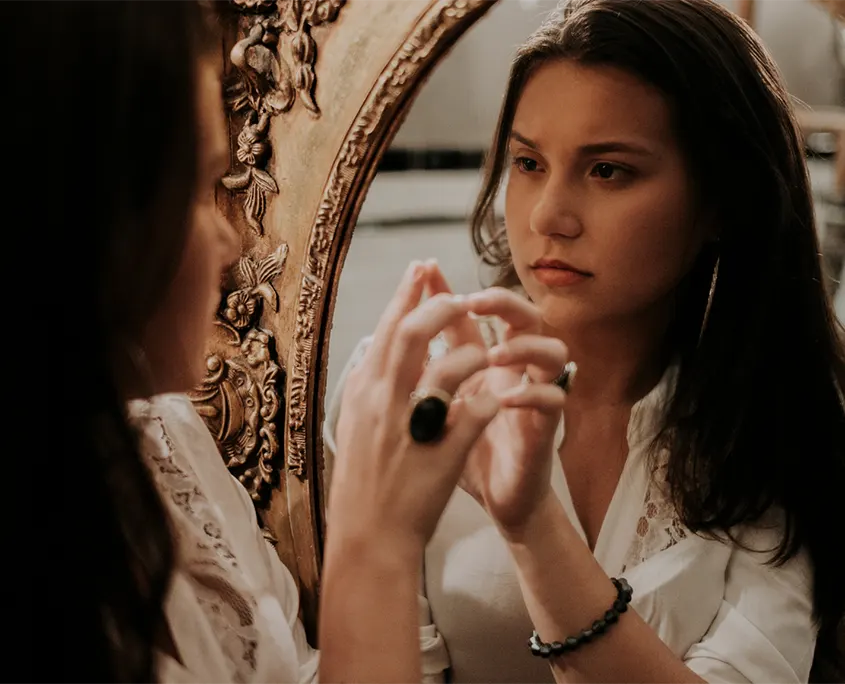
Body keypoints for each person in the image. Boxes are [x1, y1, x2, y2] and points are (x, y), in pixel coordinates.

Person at [324, 1, 845, 683]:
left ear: (721, 200)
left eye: (607, 171)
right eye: (527, 162)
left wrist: (532, 524)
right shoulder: (415, 391)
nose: (547, 215)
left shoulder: (769, 416)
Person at [54, 0, 563, 681]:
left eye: (609, 169)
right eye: (200, 191)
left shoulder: (169, 439)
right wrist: (373, 539)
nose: (232, 238)